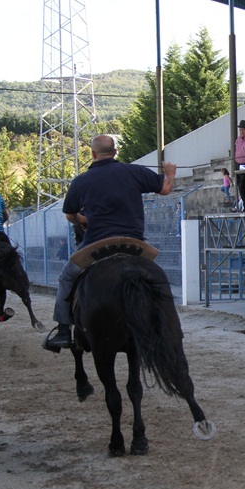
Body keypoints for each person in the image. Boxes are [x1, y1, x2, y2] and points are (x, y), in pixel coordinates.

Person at [43, 135, 177, 351]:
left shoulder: (81, 181)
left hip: (96, 244)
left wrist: (83, 220)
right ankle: (166, 325)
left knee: (67, 277)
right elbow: (165, 189)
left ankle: (63, 330)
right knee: (156, 279)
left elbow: (70, 215)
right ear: (115, 152)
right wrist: (170, 172)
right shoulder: (134, 172)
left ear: (93, 154)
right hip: (134, 243)